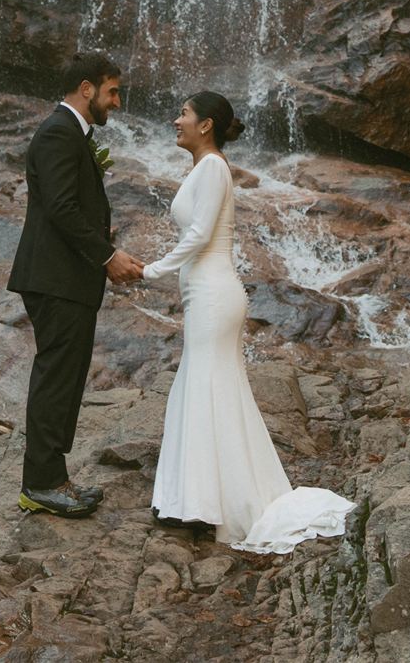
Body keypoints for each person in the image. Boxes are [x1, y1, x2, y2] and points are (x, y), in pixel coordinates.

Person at [143, 90, 353, 553]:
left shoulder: (214, 166)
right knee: (205, 383)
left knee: (206, 382)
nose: (175, 120)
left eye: (183, 113)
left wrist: (150, 270)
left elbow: (199, 234)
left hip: (215, 293)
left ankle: (204, 504)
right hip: (205, 292)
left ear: (206, 125)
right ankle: (194, 499)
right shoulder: (204, 167)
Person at [6, 52, 146, 518]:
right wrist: (107, 256)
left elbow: (66, 207)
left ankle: (53, 478)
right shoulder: (57, 132)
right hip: (56, 278)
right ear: (86, 89)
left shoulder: (70, 134)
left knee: (65, 381)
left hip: (68, 277)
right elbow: (61, 208)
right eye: (112, 91)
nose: (118, 102)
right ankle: (41, 484)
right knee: (55, 380)